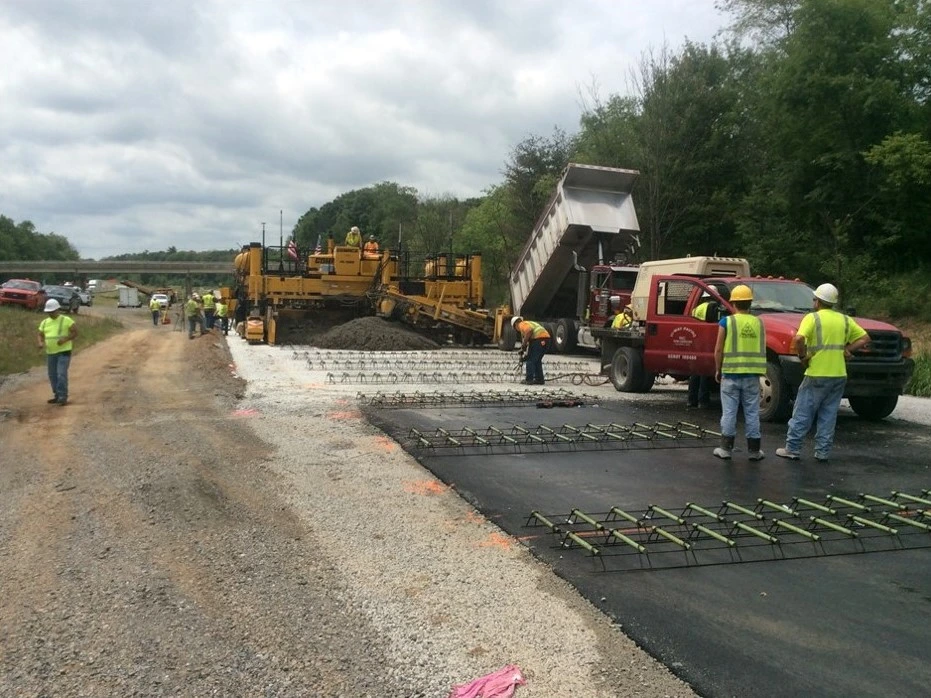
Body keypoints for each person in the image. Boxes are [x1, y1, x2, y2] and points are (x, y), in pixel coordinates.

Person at [776, 283, 869, 462]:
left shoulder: (813, 318)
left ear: (818, 301)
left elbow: (799, 338)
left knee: (803, 411)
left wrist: (802, 356)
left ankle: (793, 449)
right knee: (828, 414)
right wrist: (847, 349)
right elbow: (865, 338)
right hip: (838, 374)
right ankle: (822, 452)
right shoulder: (844, 319)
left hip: (817, 372)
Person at [712, 284, 766, 460]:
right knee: (751, 412)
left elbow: (718, 349)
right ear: (749, 303)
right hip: (752, 375)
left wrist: (718, 369)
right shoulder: (758, 322)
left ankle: (726, 449)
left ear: (733, 303)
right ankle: (754, 451)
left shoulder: (726, 322)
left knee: (729, 412)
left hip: (731, 374)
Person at [37, 299, 78, 406]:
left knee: (61, 374)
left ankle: (63, 396)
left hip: (64, 352)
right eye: (49, 312)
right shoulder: (45, 322)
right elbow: (40, 334)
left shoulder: (66, 320)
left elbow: (75, 332)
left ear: (57, 310)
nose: (50, 314)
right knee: (52, 375)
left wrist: (65, 339)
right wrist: (40, 343)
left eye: (52, 311)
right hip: (51, 352)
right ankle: (57, 395)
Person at [688, 297, 714, 409]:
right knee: (704, 373)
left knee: (694, 373)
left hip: (696, 340)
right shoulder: (712, 307)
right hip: (706, 338)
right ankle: (703, 401)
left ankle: (691, 400)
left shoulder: (696, 308)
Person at [512, 316, 550, 385]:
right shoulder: (530, 323)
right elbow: (530, 345)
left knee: (530, 361)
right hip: (546, 340)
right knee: (537, 361)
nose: (517, 330)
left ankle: (529, 380)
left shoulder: (521, 324)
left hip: (539, 339)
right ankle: (539, 379)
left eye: (515, 329)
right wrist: (525, 354)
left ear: (515, 324)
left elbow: (529, 331)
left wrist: (523, 345)